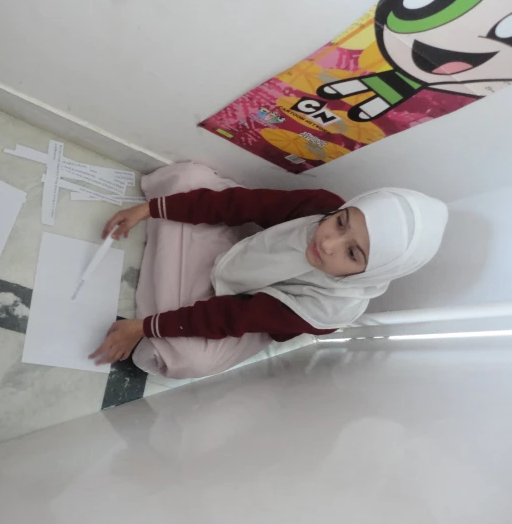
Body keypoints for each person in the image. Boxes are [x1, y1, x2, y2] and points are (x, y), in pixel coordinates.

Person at [90, 162, 448, 379]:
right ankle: (159, 299)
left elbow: (234, 316)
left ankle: (155, 314)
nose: (328, 243)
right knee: (187, 177)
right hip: (236, 263)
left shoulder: (328, 310)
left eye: (352, 253)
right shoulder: (321, 208)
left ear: (371, 272)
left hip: (249, 318)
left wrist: (143, 327)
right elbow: (241, 205)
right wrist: (151, 210)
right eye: (341, 223)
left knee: (186, 359)